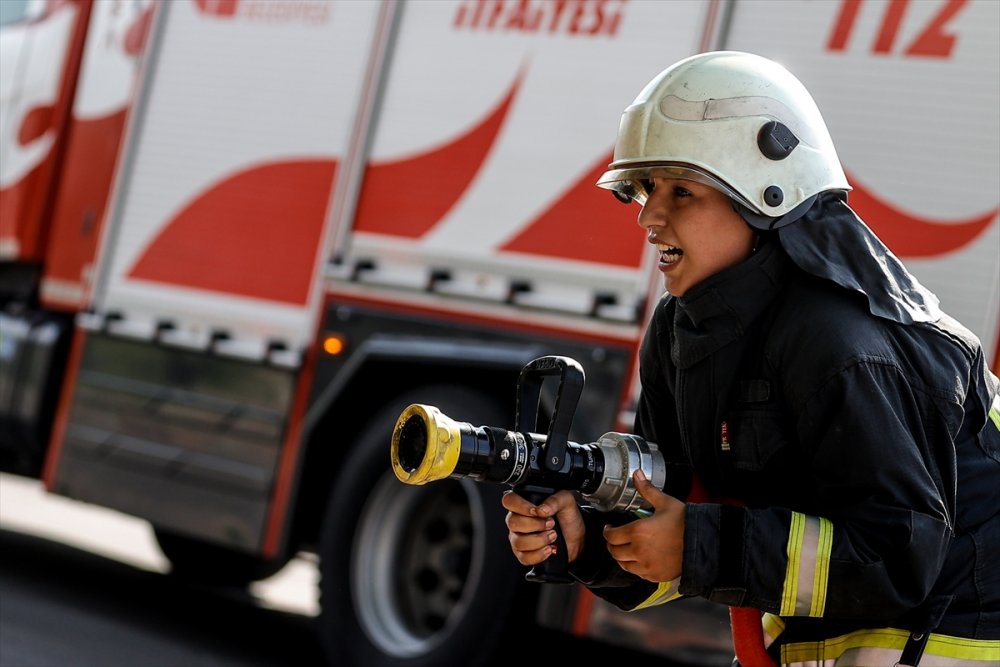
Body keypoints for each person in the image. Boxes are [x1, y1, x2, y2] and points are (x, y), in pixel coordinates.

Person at [502, 51, 1000, 666]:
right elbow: (682, 514)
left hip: (955, 630)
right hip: (837, 630)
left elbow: (897, 556)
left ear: (767, 199)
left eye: (682, 191)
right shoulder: (683, 330)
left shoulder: (839, 344)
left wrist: (694, 545)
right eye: (645, 189)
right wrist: (589, 544)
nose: (650, 218)